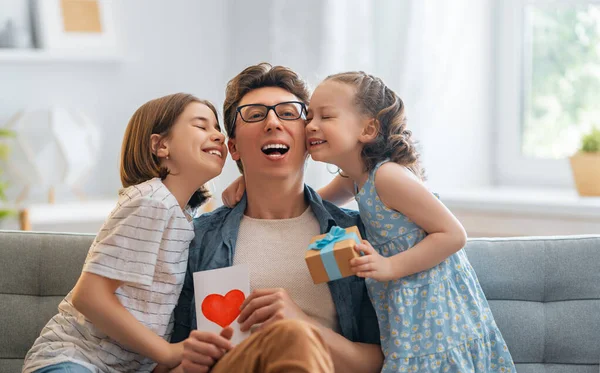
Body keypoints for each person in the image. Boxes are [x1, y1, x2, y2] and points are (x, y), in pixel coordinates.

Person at [224, 71, 516, 372]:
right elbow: (309, 200)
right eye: (310, 117)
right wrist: (252, 184)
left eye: (325, 117)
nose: (311, 126)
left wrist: (390, 267)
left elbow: (454, 234)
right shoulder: (353, 179)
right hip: (404, 307)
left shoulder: (387, 177)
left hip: (432, 306)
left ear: (368, 128)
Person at [164, 63, 383, 373]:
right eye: (254, 115)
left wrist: (301, 325)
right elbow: (156, 363)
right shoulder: (196, 239)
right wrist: (187, 364)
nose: (272, 122)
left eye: (289, 112)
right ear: (234, 148)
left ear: (309, 139)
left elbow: (384, 361)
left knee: (293, 335)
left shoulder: (357, 232)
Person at [22, 93, 227, 373]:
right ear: (161, 145)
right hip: (74, 361)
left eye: (218, 128)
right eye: (202, 126)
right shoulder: (153, 202)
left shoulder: (183, 216)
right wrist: (167, 353)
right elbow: (89, 296)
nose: (218, 136)